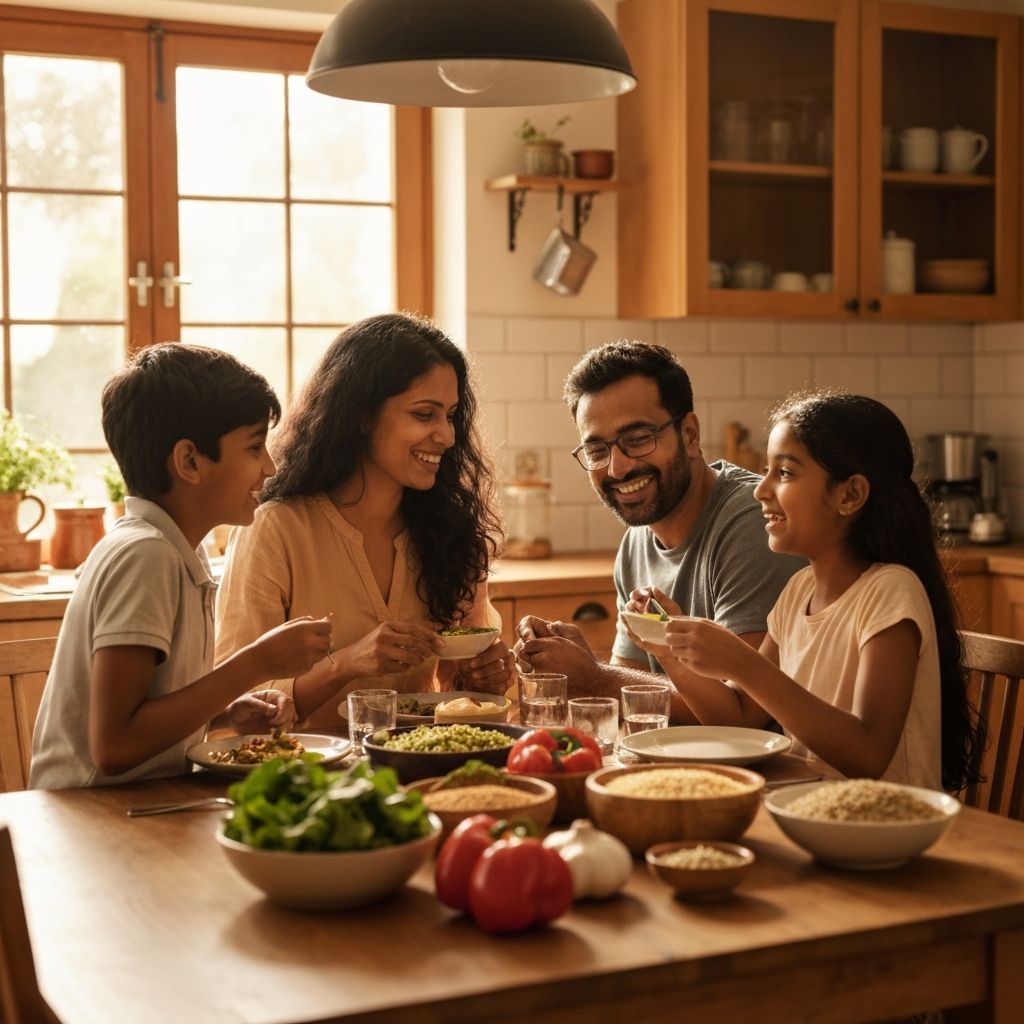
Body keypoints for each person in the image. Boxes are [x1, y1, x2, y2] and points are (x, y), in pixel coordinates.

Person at [634, 391, 980, 791]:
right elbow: (741, 716)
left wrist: (743, 665)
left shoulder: (890, 592)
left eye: (784, 473)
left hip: (886, 828)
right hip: (809, 811)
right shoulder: (799, 590)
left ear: (849, 495)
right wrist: (671, 649)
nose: (760, 490)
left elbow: (867, 755)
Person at [30, 344, 332, 790]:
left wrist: (225, 711)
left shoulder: (177, 552)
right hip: (88, 824)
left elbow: (148, 714)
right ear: (190, 461)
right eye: (253, 447)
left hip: (135, 808)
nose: (269, 467)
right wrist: (254, 663)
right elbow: (113, 747)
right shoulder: (144, 557)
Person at [215, 312, 510, 731]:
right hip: (303, 778)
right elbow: (232, 701)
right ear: (361, 415)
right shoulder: (276, 529)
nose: (446, 436)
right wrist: (346, 664)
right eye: (424, 415)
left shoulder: (453, 536)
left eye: (450, 415)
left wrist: (486, 677)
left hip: (414, 775)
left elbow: (457, 697)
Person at [514, 340, 803, 722]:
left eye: (637, 439)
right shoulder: (636, 540)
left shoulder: (753, 524)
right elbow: (630, 684)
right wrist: (585, 662)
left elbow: (749, 712)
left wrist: (594, 676)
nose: (617, 468)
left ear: (690, 435)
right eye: (598, 450)